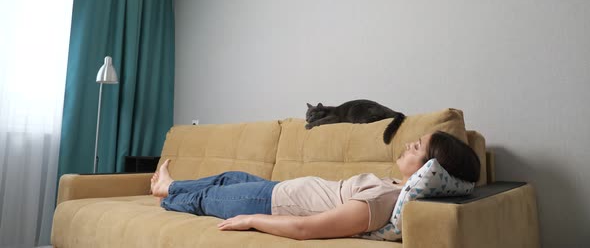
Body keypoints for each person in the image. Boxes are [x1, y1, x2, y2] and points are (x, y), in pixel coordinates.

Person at [150, 130, 480, 240]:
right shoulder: (393, 184)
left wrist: (251, 220)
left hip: (267, 203)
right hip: (276, 189)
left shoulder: (384, 199)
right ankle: (171, 184)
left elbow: (307, 228)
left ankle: (166, 194)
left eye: (417, 147)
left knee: (209, 197)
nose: (409, 145)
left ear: (430, 169)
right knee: (228, 177)